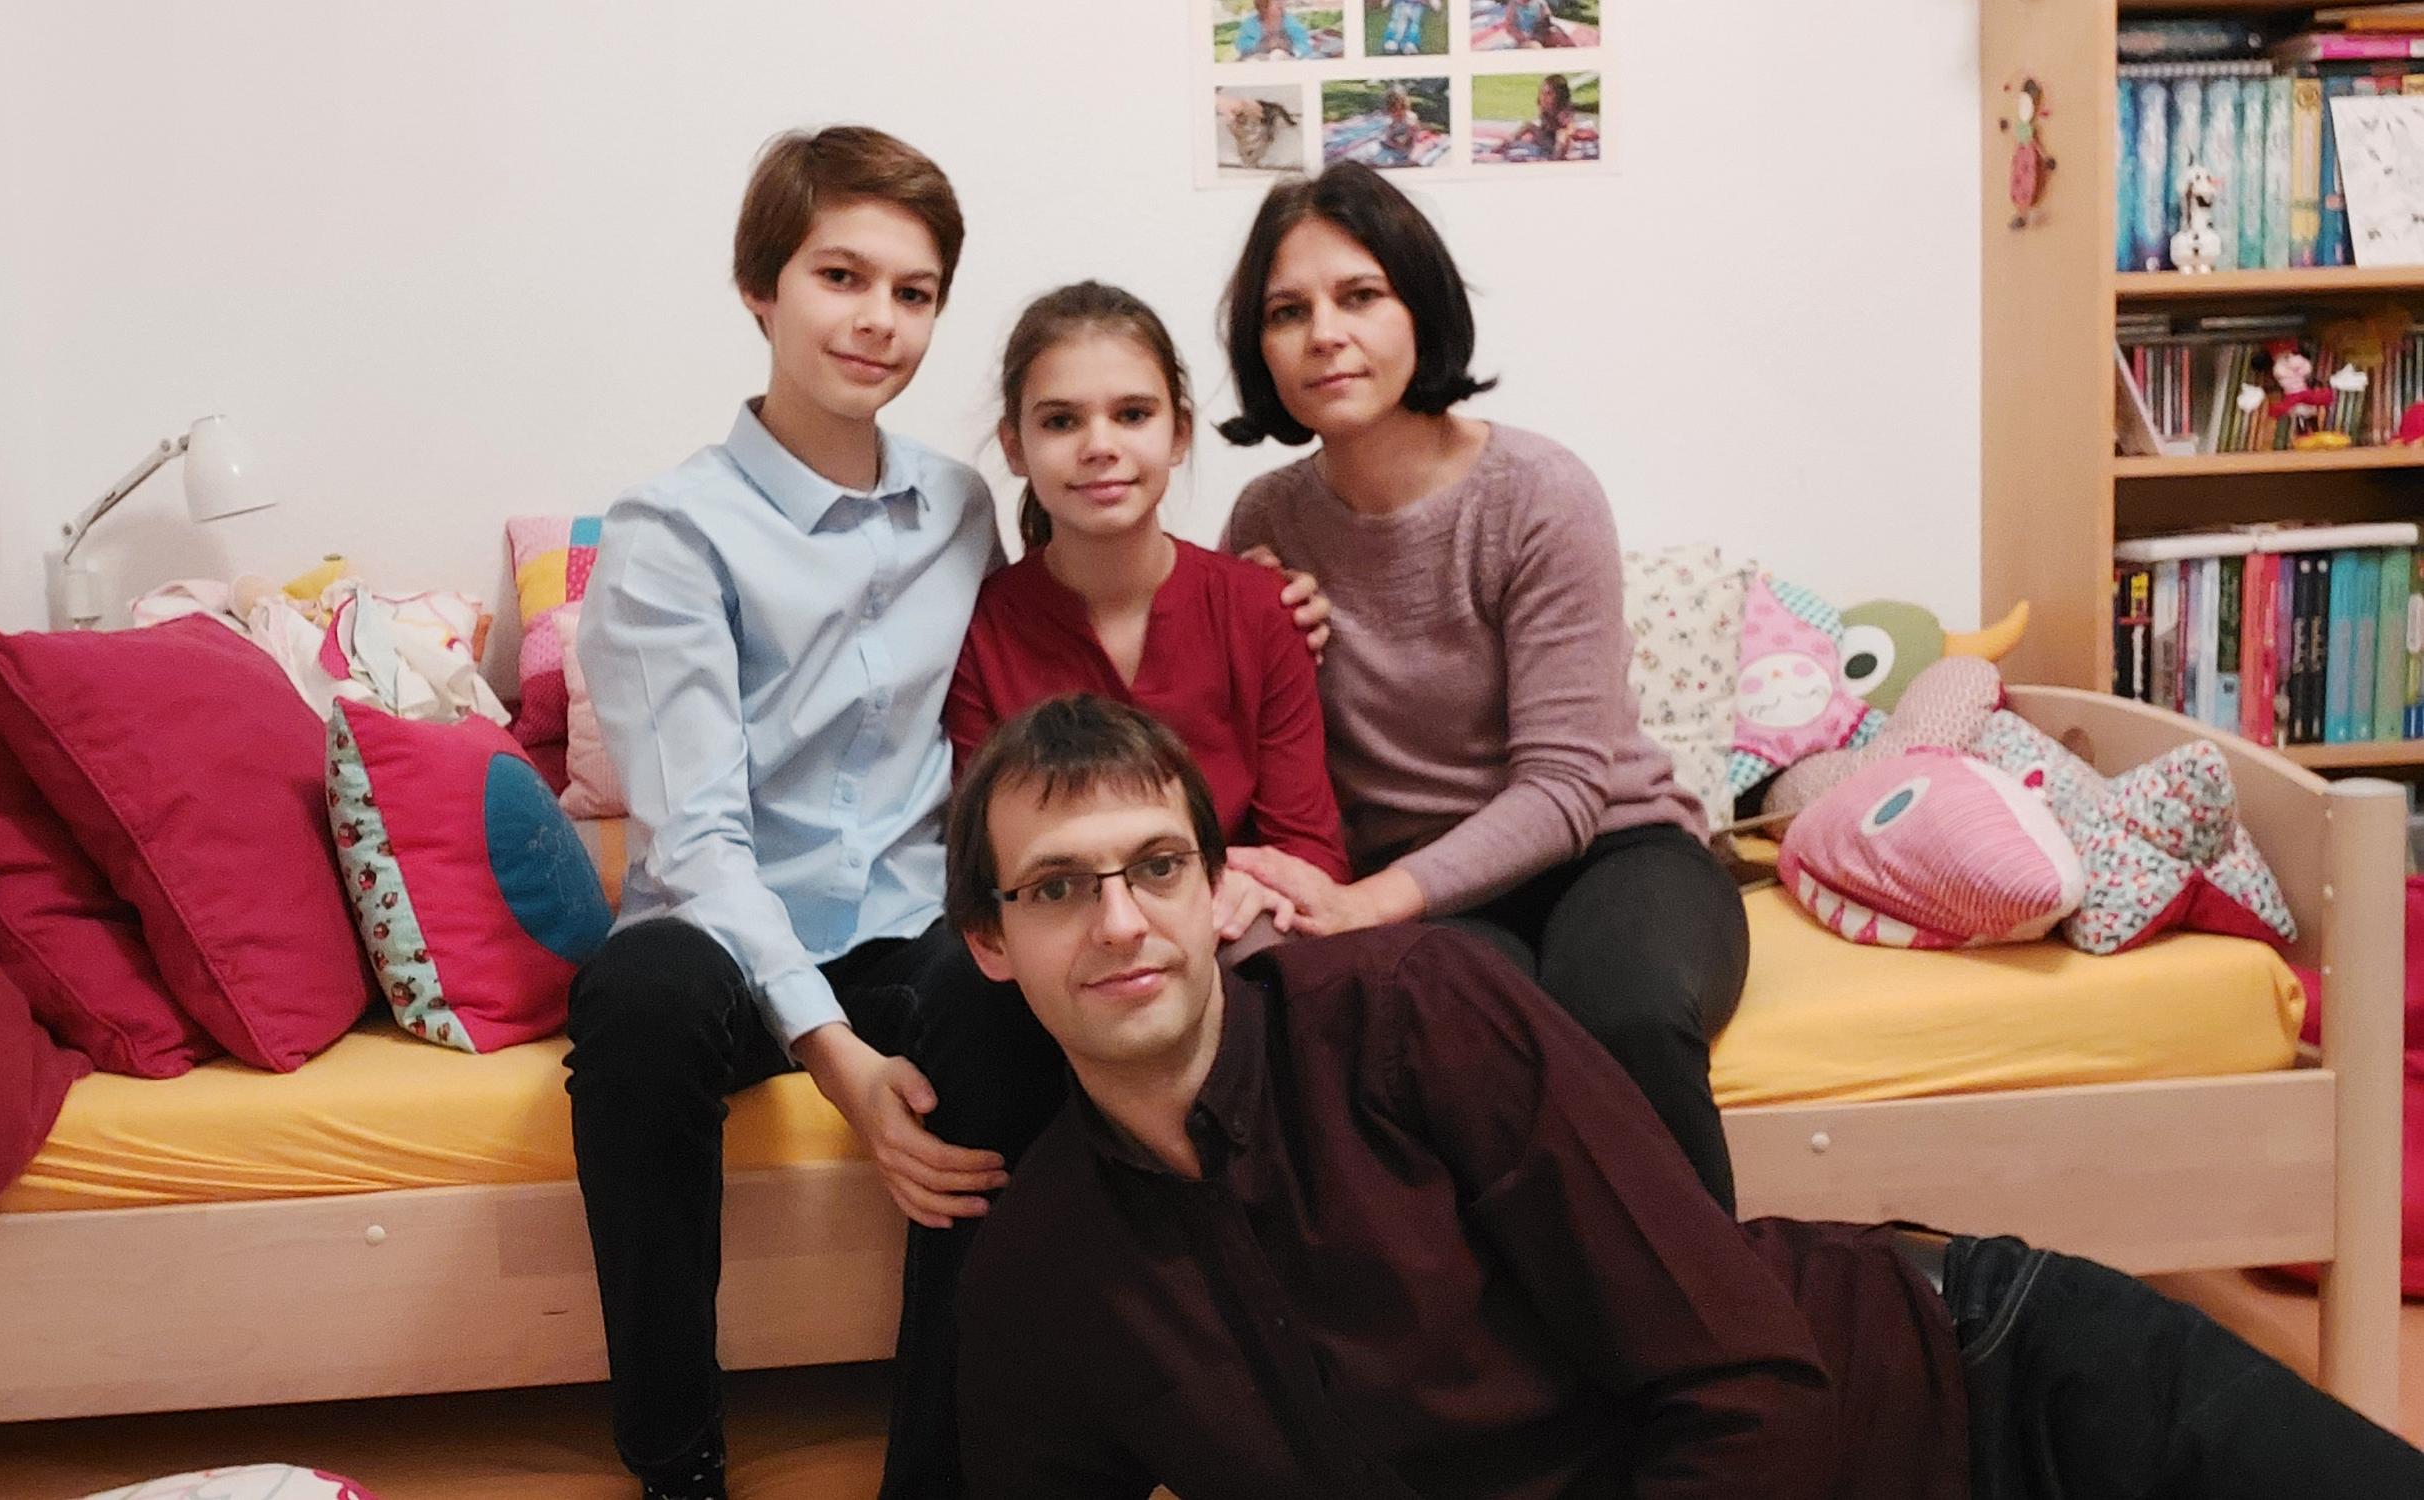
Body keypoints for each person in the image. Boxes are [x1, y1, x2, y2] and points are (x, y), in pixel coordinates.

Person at [943, 694, 2424, 1500]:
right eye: (1057, 889)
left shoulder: (1408, 1017)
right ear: (989, 944)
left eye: (1155, 869)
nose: (1120, 922)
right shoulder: (1044, 1274)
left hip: (1975, 1396)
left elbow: (1746, 1388)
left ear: (1218, 891)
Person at [565, 125, 1063, 1500]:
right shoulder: (670, 532)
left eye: (914, 292)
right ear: (760, 289)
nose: (878, 319)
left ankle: (942, 1471)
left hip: (904, 921)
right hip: (723, 937)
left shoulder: (959, 506)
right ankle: (677, 1464)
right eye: (840, 276)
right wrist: (837, 1063)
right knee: (639, 1005)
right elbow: (698, 843)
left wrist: (1263, 599)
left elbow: (1066, 627)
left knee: (1013, 1001)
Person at [1216, 160, 1748, 1207]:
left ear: (1421, 309)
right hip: (1418, 879)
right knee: (1429, 1038)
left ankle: (1717, 1307)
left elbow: (1565, 787)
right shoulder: (1264, 522)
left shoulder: (1538, 492)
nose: (1325, 333)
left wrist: (1365, 905)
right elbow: (1246, 756)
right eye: (1288, 311)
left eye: (1360, 295)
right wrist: (1259, 639)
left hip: (1612, 851)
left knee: (1622, 1017)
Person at [946, 281, 1349, 952]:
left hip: (1233, 934)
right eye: (1060, 422)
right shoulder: (981, 628)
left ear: (1179, 433)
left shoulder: (1261, 609)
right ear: (1014, 446)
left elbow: (1308, 849)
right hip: (1064, 946)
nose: (1099, 446)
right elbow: (990, 859)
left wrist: (1241, 889)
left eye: (1132, 414)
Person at [1233, 0, 1314, 60]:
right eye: (1276, 1)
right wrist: (1263, 45)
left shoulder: (1290, 21)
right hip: (1257, 61)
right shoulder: (1251, 23)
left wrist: (1291, 50)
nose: (1281, 3)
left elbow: (1304, 43)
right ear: (1264, 5)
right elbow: (1241, 45)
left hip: (1286, 61)